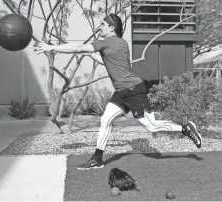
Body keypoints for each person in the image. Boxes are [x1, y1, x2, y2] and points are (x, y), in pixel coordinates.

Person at [35, 13, 202, 170]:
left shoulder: (109, 42)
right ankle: (97, 158)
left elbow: (79, 47)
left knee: (151, 127)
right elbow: (103, 59)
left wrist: (51, 47)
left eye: (102, 24)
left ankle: (185, 128)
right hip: (122, 92)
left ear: (111, 28)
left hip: (133, 90)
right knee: (105, 120)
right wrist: (87, 52)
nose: (99, 27)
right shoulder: (120, 43)